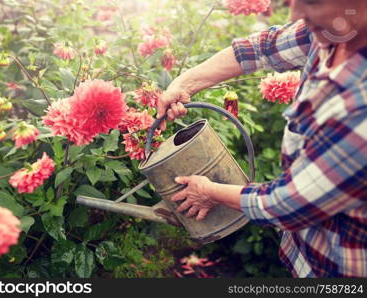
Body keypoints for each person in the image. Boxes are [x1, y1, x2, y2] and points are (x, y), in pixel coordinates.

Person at [156, 0, 367, 277]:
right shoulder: (338, 29)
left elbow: (289, 203)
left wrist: (209, 191)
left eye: (313, 3)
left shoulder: (359, 107)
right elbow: (262, 48)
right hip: (307, 253)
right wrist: (185, 83)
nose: (295, 14)